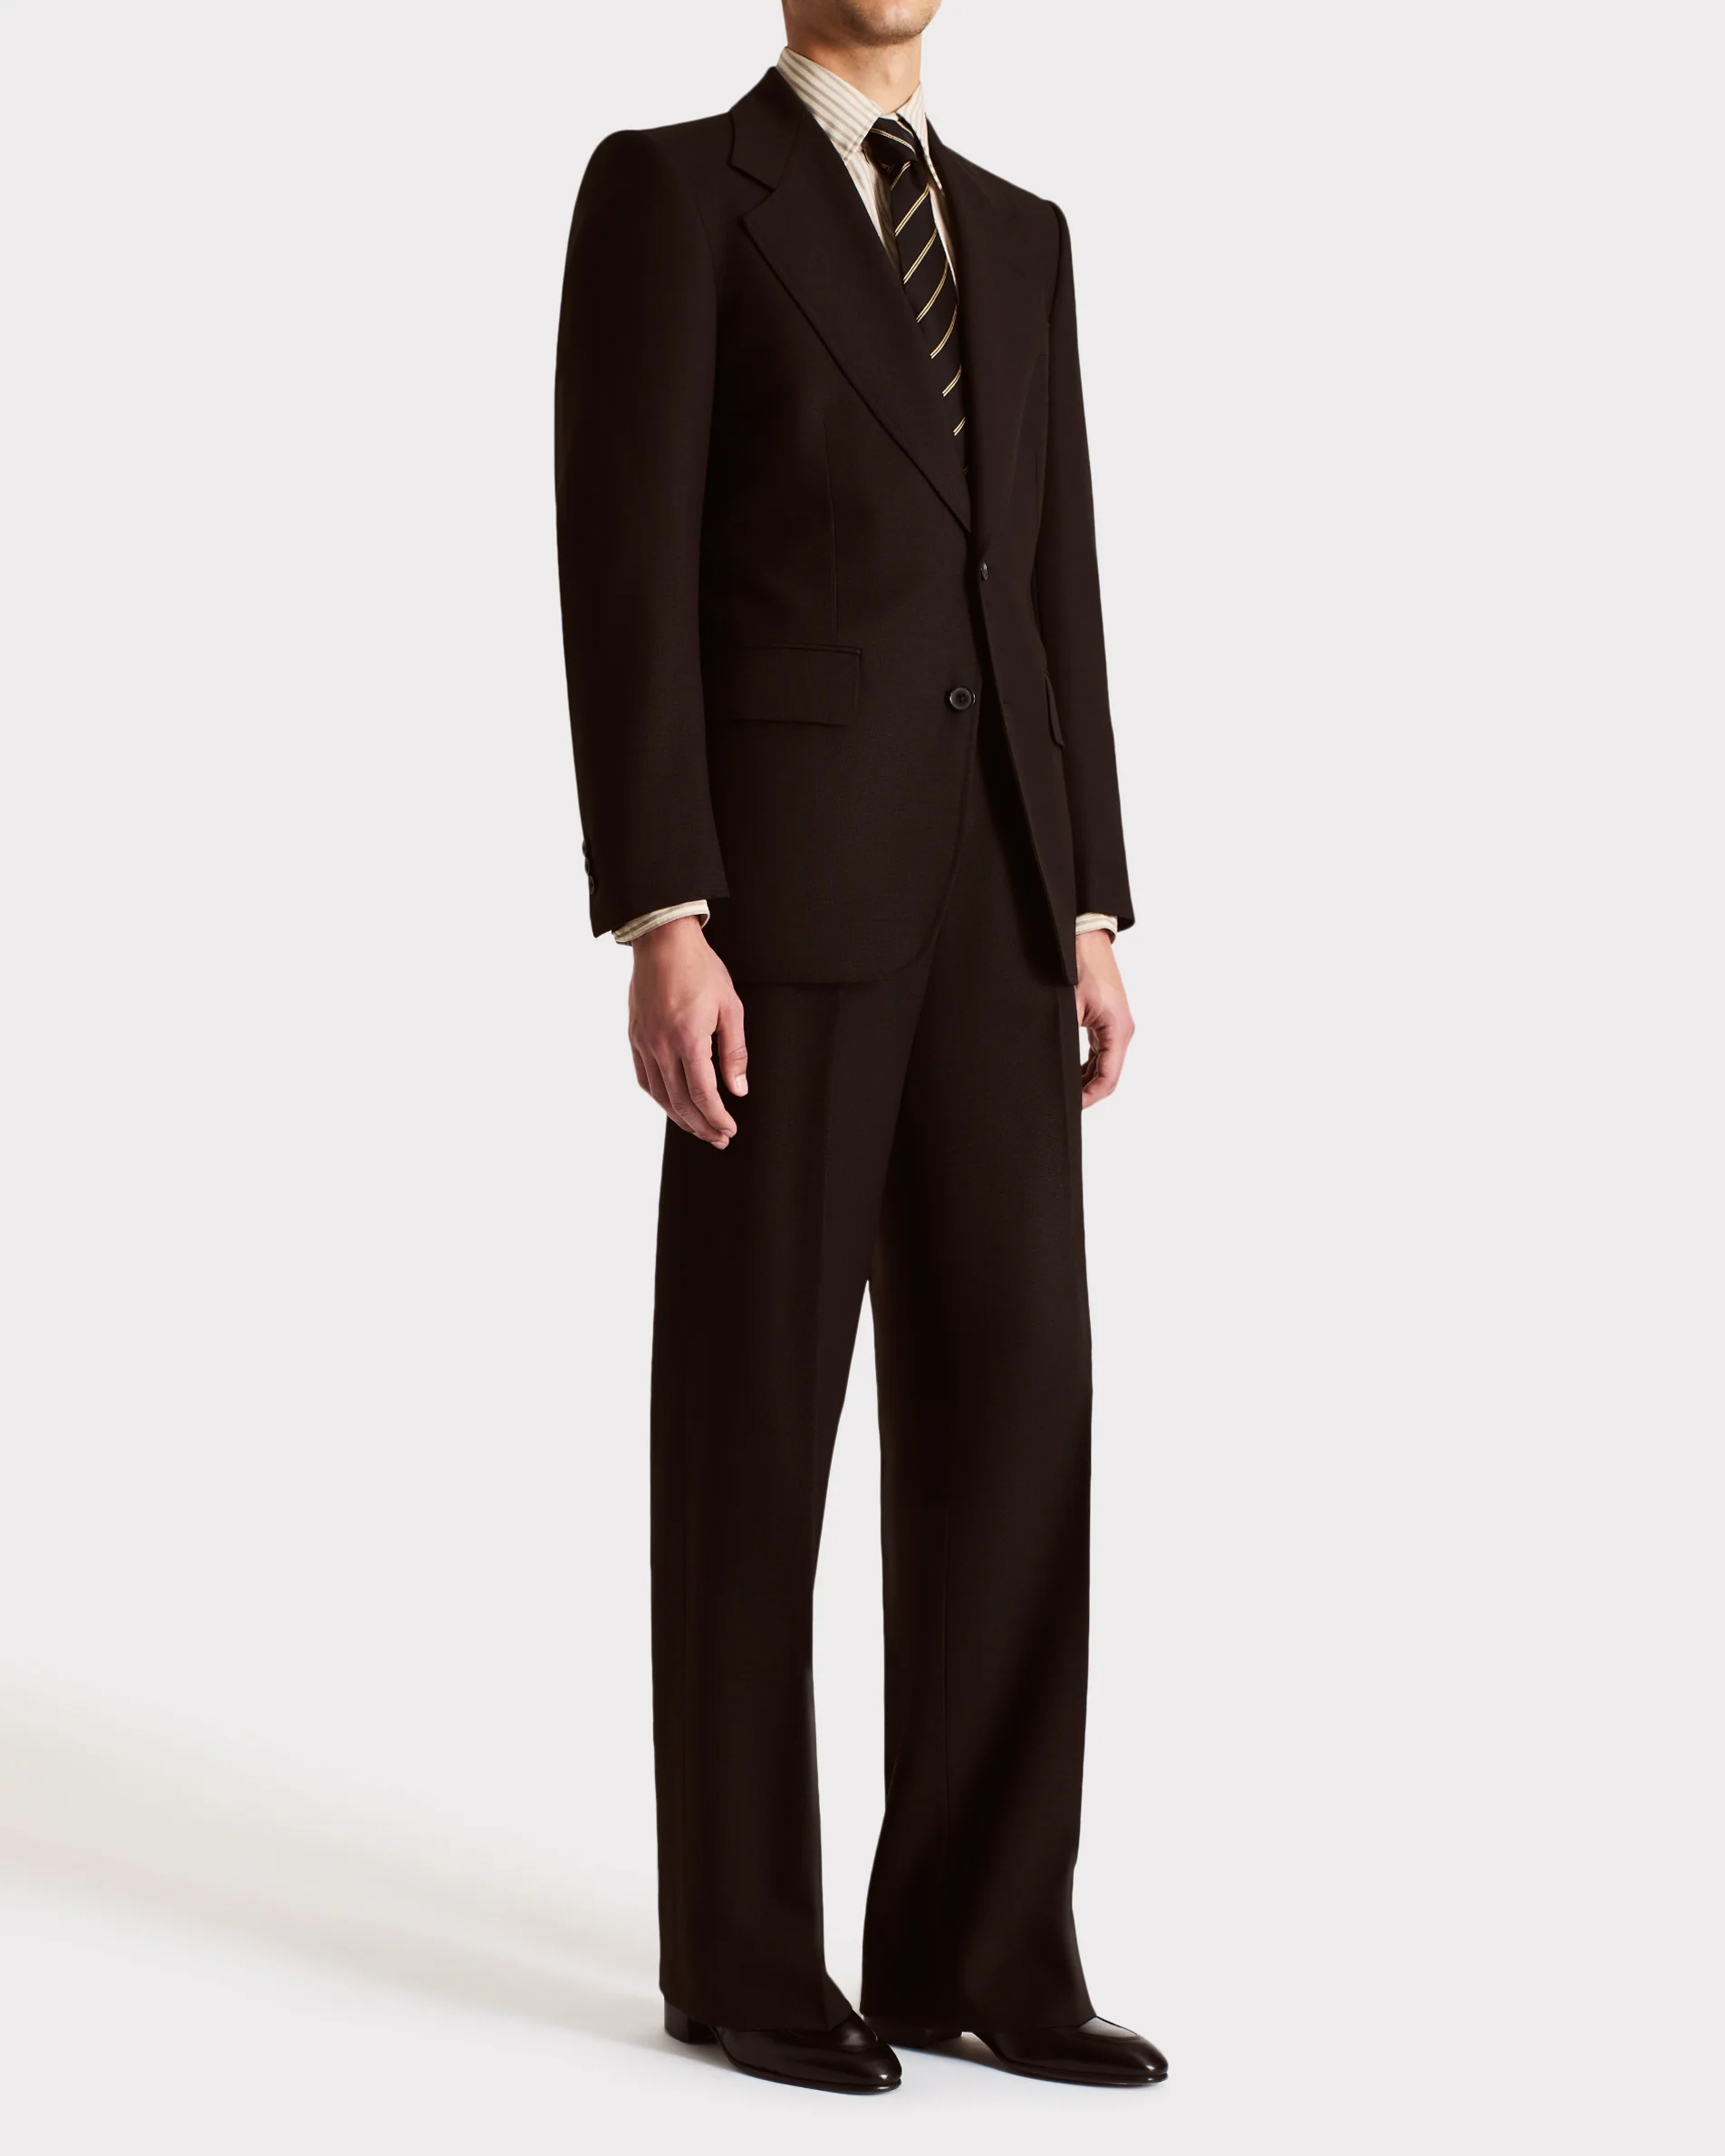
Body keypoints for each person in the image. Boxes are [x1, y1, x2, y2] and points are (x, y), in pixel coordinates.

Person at [554, 0, 1164, 2095]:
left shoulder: (1023, 233)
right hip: (778, 902)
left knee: (1017, 1410)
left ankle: (979, 1942)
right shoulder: (670, 196)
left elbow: (1051, 580)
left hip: (999, 901)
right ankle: (741, 1949)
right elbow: (623, 564)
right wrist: (663, 907)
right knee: (752, 1427)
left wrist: (1087, 898)